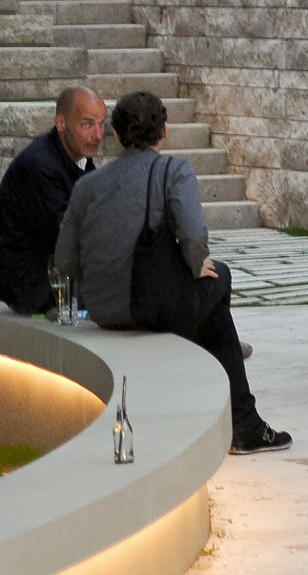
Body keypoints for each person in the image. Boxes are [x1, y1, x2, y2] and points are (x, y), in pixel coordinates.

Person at [56, 92, 290, 454]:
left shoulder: (87, 185)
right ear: (164, 131)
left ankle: (242, 421)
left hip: (103, 312)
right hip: (150, 308)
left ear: (115, 136)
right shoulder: (173, 171)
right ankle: (244, 424)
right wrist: (198, 266)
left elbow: (65, 261)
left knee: (213, 313)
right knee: (219, 281)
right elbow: (194, 238)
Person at [0, 85, 106, 314]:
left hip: (58, 273)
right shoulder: (40, 166)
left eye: (101, 123)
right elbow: (66, 237)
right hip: (33, 285)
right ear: (61, 123)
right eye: (87, 124)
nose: (97, 135)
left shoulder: (79, 158)